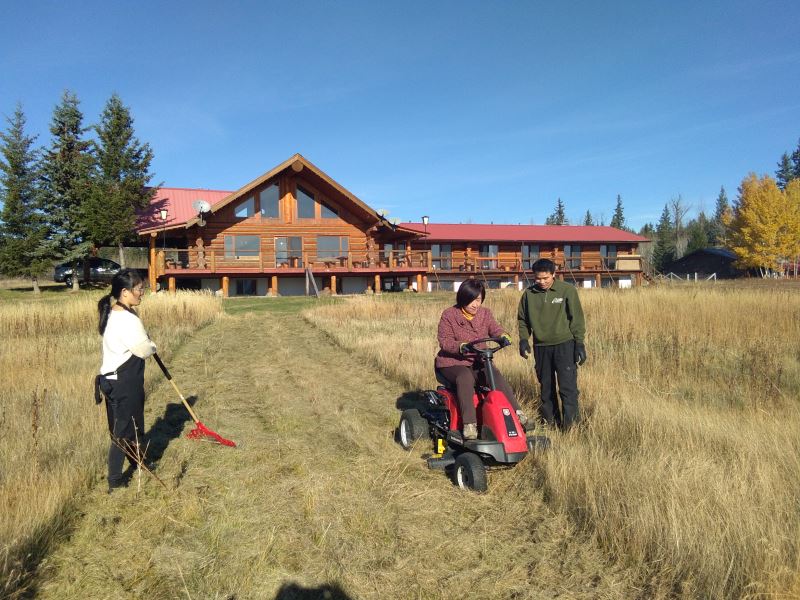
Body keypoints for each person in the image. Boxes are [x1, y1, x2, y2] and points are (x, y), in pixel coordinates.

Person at [435, 279, 527, 440]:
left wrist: (503, 336)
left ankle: (517, 414)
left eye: (478, 299)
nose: (475, 304)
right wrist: (461, 346)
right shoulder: (449, 315)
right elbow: (445, 341)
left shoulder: (485, 314)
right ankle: (469, 425)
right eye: (471, 300)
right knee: (465, 377)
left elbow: (495, 329)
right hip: (452, 362)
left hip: (478, 361)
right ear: (462, 298)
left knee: (495, 376)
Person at [96, 269, 156, 491]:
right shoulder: (128, 320)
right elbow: (143, 350)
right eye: (139, 289)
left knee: (128, 426)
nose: (142, 292)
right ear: (125, 292)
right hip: (123, 383)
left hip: (110, 381)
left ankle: (139, 462)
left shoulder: (113, 312)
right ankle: (114, 481)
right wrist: (151, 344)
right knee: (123, 432)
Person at [517, 258, 586, 430]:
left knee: (568, 388)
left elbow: (577, 318)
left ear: (554, 274)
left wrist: (579, 343)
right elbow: (523, 320)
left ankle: (571, 427)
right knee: (546, 388)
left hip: (565, 345)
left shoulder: (567, 290)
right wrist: (524, 339)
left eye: (545, 278)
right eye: (537, 278)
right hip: (541, 347)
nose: (541, 282)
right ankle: (551, 424)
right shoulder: (528, 294)